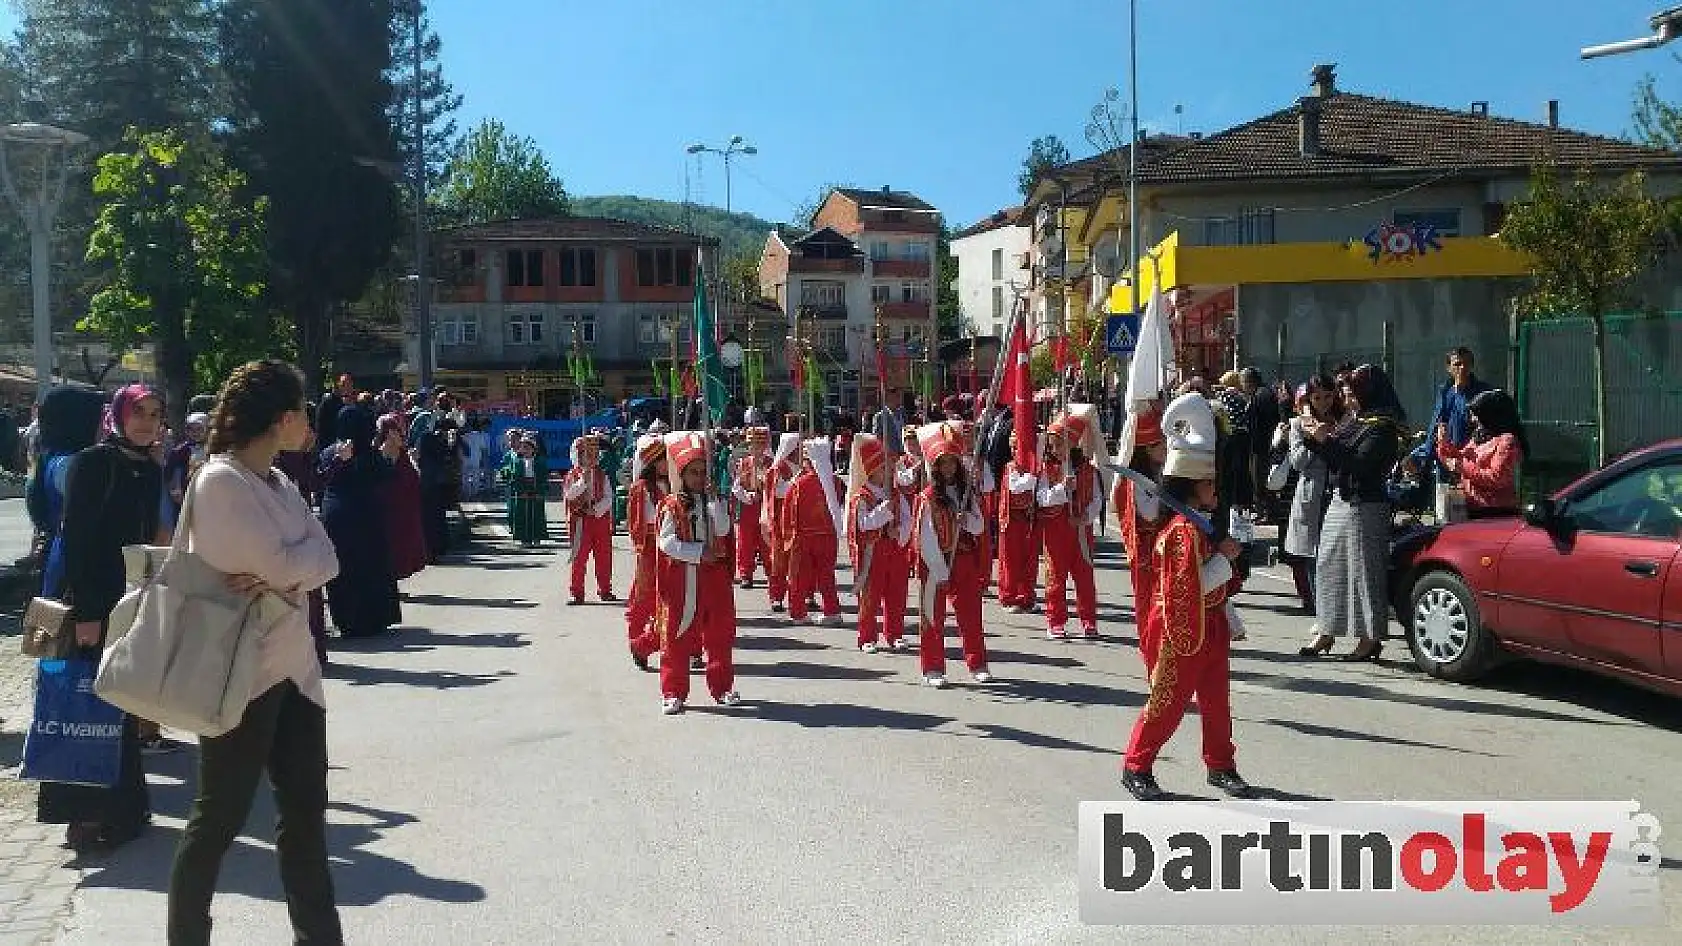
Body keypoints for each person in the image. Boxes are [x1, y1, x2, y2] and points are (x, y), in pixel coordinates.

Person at [166, 360, 343, 946]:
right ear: (285, 418)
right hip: (239, 672)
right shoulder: (220, 482)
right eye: (305, 413)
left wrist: (287, 571)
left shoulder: (280, 483)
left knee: (305, 822)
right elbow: (286, 562)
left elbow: (325, 558)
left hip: (295, 673)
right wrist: (291, 569)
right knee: (218, 819)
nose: (310, 424)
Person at [37, 384, 165, 850]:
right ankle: (84, 817)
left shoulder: (146, 469)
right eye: (138, 412)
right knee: (83, 707)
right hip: (92, 605)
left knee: (117, 706)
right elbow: (78, 540)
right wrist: (89, 613)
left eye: (154, 413)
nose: (146, 421)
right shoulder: (95, 463)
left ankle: (123, 809)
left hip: (128, 602)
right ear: (117, 416)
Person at [1120, 392, 1250, 802]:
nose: (1216, 488)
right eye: (1210, 481)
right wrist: (1225, 562)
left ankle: (1221, 764)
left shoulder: (1200, 524)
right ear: (1194, 485)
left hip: (1209, 621)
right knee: (1168, 701)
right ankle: (1136, 765)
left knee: (1217, 702)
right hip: (1181, 627)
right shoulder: (1180, 532)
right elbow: (1183, 590)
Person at [1299, 365, 1405, 661]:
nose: (1347, 396)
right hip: (1341, 501)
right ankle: (1327, 630)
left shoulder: (1382, 426)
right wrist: (1313, 437)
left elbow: (1359, 464)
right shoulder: (1355, 421)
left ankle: (1369, 638)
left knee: (1364, 574)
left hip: (1366, 506)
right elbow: (1335, 456)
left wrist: (1324, 441)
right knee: (1328, 566)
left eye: (1352, 390)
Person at [653, 432, 740, 714]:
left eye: (703, 472)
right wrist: (696, 552)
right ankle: (673, 691)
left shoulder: (714, 500)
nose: (700, 478)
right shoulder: (671, 505)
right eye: (694, 472)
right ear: (682, 473)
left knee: (720, 633)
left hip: (714, 576)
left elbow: (725, 531)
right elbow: (665, 542)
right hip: (684, 577)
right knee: (677, 634)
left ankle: (722, 687)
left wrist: (717, 507)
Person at [914, 421, 993, 688]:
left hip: (963, 558)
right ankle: (933, 666)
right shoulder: (927, 498)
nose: (948, 467)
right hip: (936, 563)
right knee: (932, 615)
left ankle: (977, 663)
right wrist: (939, 569)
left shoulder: (967, 493)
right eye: (942, 462)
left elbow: (980, 525)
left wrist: (966, 519)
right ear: (935, 467)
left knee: (971, 614)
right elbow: (925, 538)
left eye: (952, 462)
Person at [318, 405, 402, 638]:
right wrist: (390, 456)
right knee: (370, 564)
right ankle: (372, 617)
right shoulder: (367, 453)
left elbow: (321, 477)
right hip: (365, 513)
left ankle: (346, 619)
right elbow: (385, 475)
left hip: (335, 514)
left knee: (343, 568)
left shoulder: (329, 451)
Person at [1037, 407, 1103, 640]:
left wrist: (1085, 517)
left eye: (1059, 444)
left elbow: (1097, 499)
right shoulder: (1047, 469)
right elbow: (1041, 498)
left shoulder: (1088, 469)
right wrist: (1062, 489)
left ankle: (1089, 621)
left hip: (1081, 530)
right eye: (1052, 444)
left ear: (1072, 444)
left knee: (1084, 576)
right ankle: (1055, 621)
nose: (1054, 449)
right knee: (1056, 577)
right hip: (1056, 530)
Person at [846, 434, 911, 653]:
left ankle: (895, 634)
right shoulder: (861, 497)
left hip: (894, 548)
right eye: (884, 467)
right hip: (873, 551)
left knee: (897, 594)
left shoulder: (895, 493)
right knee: (870, 595)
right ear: (872, 470)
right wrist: (883, 511)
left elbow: (908, 519)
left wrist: (899, 532)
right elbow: (863, 524)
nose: (889, 471)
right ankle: (867, 637)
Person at [1283, 377, 1341, 620]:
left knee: (1334, 552)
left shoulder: (1341, 421)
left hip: (1337, 489)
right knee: (1312, 553)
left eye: (1328, 396)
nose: (1323, 403)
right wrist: (1315, 442)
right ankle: (1318, 605)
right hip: (1311, 491)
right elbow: (1297, 461)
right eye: (1317, 398)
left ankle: (1333, 606)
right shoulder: (1298, 424)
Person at [1113, 405, 1168, 634]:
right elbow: (1150, 514)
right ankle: (1149, 640)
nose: (1166, 450)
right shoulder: (1134, 482)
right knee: (1148, 601)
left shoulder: (1158, 473)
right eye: (1160, 446)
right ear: (1145, 450)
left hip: (1162, 548)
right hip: (1145, 550)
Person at [1437, 388, 1526, 519]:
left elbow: (1497, 478)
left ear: (1489, 415)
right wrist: (1443, 443)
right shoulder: (1480, 437)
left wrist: (1461, 466)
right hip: (1473, 507)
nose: (1473, 419)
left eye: (1476, 415)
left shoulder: (1507, 441)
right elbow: (1458, 459)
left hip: (1495, 511)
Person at [782, 439, 844, 626]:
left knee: (799, 577)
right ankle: (832, 610)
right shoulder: (835, 482)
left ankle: (798, 612)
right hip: (827, 536)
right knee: (826, 576)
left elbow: (789, 510)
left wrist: (788, 535)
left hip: (804, 536)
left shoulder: (798, 484)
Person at [626, 435, 669, 670]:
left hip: (671, 547)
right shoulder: (640, 489)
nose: (667, 463)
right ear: (653, 463)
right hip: (651, 547)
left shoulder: (672, 483)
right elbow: (636, 523)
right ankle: (637, 640)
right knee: (644, 597)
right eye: (664, 460)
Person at [563, 433, 615, 604]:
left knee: (604, 556)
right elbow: (570, 495)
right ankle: (576, 592)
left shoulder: (602, 474)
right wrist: (582, 482)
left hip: (599, 520)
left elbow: (609, 497)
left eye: (594, 454)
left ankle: (605, 589)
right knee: (579, 558)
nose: (591, 458)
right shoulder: (573, 475)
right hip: (581, 521)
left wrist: (597, 509)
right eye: (587, 454)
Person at [376, 413, 429, 580]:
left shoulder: (405, 455)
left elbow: (415, 480)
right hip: (388, 513)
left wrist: (415, 463)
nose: (403, 436)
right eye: (400, 432)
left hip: (406, 512)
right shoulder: (378, 456)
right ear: (390, 433)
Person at [996, 427, 1041, 613]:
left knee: (1029, 561)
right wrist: (1033, 477)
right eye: (1014, 448)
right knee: (1011, 560)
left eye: (1020, 448)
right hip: (1011, 519)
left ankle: (1027, 596)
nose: (1016, 452)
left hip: (1029, 518)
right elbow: (1016, 487)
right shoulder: (1010, 467)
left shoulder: (1036, 466)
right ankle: (1010, 596)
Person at [762, 432, 801, 613]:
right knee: (779, 563)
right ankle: (776, 597)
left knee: (799, 564)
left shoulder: (803, 467)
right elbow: (778, 492)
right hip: (781, 523)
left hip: (799, 523)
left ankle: (800, 597)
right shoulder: (778, 469)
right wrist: (796, 482)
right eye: (799, 448)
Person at [732, 426, 772, 589]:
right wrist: (747, 496)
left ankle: (772, 573)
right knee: (745, 543)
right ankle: (745, 574)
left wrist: (764, 491)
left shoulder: (772, 463)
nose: (757, 448)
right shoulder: (743, 463)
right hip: (748, 509)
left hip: (765, 508)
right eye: (754, 444)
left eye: (761, 444)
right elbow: (736, 487)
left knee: (767, 542)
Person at [500, 432, 548, 546]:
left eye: (528, 448)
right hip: (522, 491)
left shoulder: (539, 462)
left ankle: (537, 537)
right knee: (523, 514)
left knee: (536, 515)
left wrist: (539, 491)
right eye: (523, 448)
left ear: (534, 449)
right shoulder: (518, 462)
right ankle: (525, 539)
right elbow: (515, 477)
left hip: (536, 490)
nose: (525, 450)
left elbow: (543, 478)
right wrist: (520, 491)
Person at [314, 374, 352, 450]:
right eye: (345, 385)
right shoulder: (328, 403)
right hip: (329, 445)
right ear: (338, 385)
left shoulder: (345, 402)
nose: (349, 388)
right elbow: (322, 428)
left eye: (350, 385)